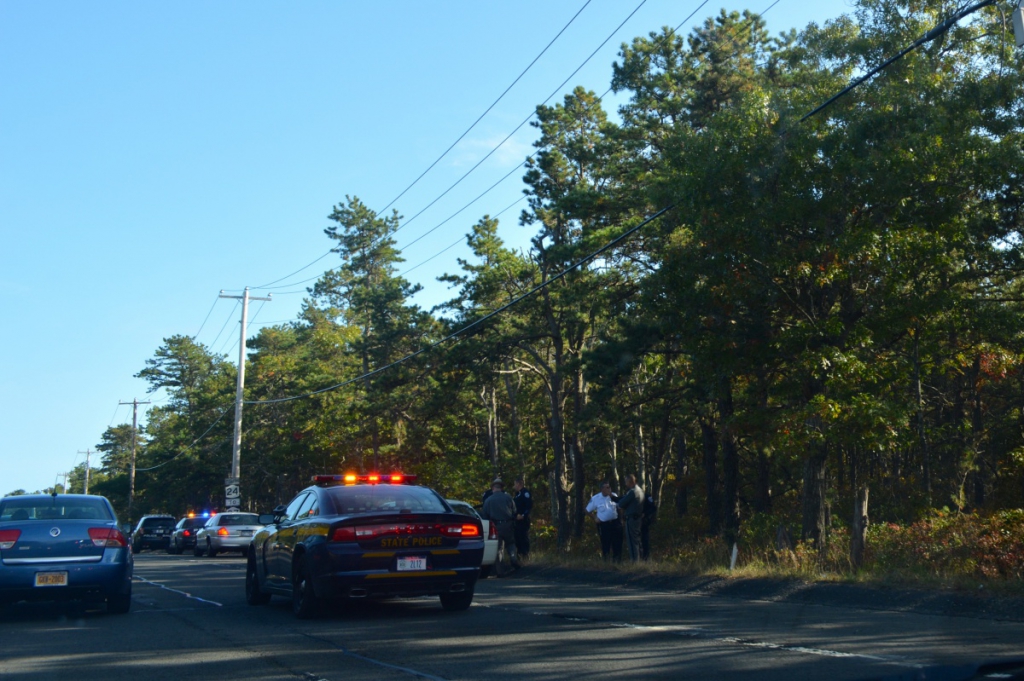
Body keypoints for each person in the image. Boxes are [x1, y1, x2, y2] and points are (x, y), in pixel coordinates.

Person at [481, 478, 519, 575]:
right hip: (508, 524)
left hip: (495, 526)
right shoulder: (508, 497)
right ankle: (514, 559)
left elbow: (485, 515)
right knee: (511, 543)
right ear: (501, 488)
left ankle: (500, 571)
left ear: (493, 488)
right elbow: (514, 511)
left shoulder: (488, 500)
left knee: (499, 548)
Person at [585, 481, 622, 561]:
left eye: (609, 487)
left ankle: (617, 561)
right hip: (604, 524)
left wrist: (620, 520)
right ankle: (606, 561)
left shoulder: (614, 496)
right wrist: (595, 517)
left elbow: (619, 507)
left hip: (615, 523)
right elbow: (587, 510)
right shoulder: (596, 498)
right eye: (607, 487)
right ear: (602, 489)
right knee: (605, 543)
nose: (609, 489)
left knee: (617, 543)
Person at [616, 474, 645, 562]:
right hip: (638, 518)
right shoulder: (640, 490)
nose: (625, 483)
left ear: (630, 481)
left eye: (626, 481)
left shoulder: (632, 492)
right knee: (637, 540)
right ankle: (640, 559)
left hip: (632, 519)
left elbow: (621, 503)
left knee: (632, 541)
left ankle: (634, 561)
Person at [512, 476, 532, 559]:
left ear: (518, 484)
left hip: (523, 520)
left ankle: (525, 554)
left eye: (515, 484)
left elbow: (529, 506)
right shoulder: (518, 494)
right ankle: (519, 554)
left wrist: (523, 515)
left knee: (523, 537)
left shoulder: (525, 493)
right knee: (517, 538)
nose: (514, 486)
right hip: (517, 520)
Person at [640, 491, 657, 561]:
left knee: (645, 540)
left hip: (644, 522)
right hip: (634, 522)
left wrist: (645, 514)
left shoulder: (646, 496)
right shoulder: (631, 495)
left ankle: (645, 557)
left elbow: (653, 508)